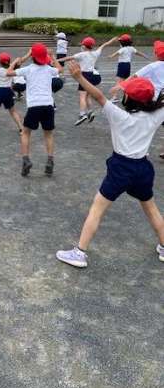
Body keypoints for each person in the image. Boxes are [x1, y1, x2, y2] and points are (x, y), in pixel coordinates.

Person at [57, 61, 164, 268]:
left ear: (127, 99)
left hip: (121, 168)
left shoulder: (119, 116)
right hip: (143, 169)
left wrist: (79, 77)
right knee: (151, 209)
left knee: (97, 209)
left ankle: (79, 253)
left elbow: (98, 96)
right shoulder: (155, 116)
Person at [7, 43, 63, 176]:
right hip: (48, 105)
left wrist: (18, 60)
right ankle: (50, 160)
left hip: (34, 106)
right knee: (48, 134)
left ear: (33, 56)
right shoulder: (49, 69)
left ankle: (26, 160)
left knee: (25, 133)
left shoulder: (28, 69)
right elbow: (60, 69)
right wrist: (52, 56)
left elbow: (8, 73)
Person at [60, 36, 119, 126]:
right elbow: (105, 44)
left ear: (84, 46)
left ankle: (82, 114)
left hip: (84, 75)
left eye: (82, 44)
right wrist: (112, 40)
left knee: (82, 96)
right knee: (88, 95)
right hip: (92, 75)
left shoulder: (81, 54)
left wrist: (56, 60)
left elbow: (68, 58)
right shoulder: (95, 53)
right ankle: (90, 111)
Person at [109, 34, 148, 102]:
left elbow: (116, 54)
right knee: (126, 81)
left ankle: (114, 97)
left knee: (119, 81)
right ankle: (128, 96)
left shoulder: (122, 49)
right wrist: (144, 55)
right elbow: (138, 53)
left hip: (122, 65)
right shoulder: (131, 48)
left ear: (122, 43)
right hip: (128, 65)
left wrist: (111, 56)